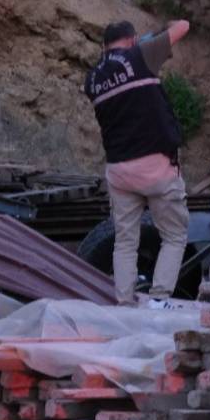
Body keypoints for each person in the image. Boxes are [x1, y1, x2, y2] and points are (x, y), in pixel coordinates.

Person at [84, 19, 191, 307]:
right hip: (156, 166)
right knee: (174, 235)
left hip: (120, 171)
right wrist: (160, 29)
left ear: (104, 46)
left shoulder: (92, 79)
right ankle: (158, 300)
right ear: (131, 40)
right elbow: (183, 26)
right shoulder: (141, 55)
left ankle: (124, 304)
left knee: (125, 241)